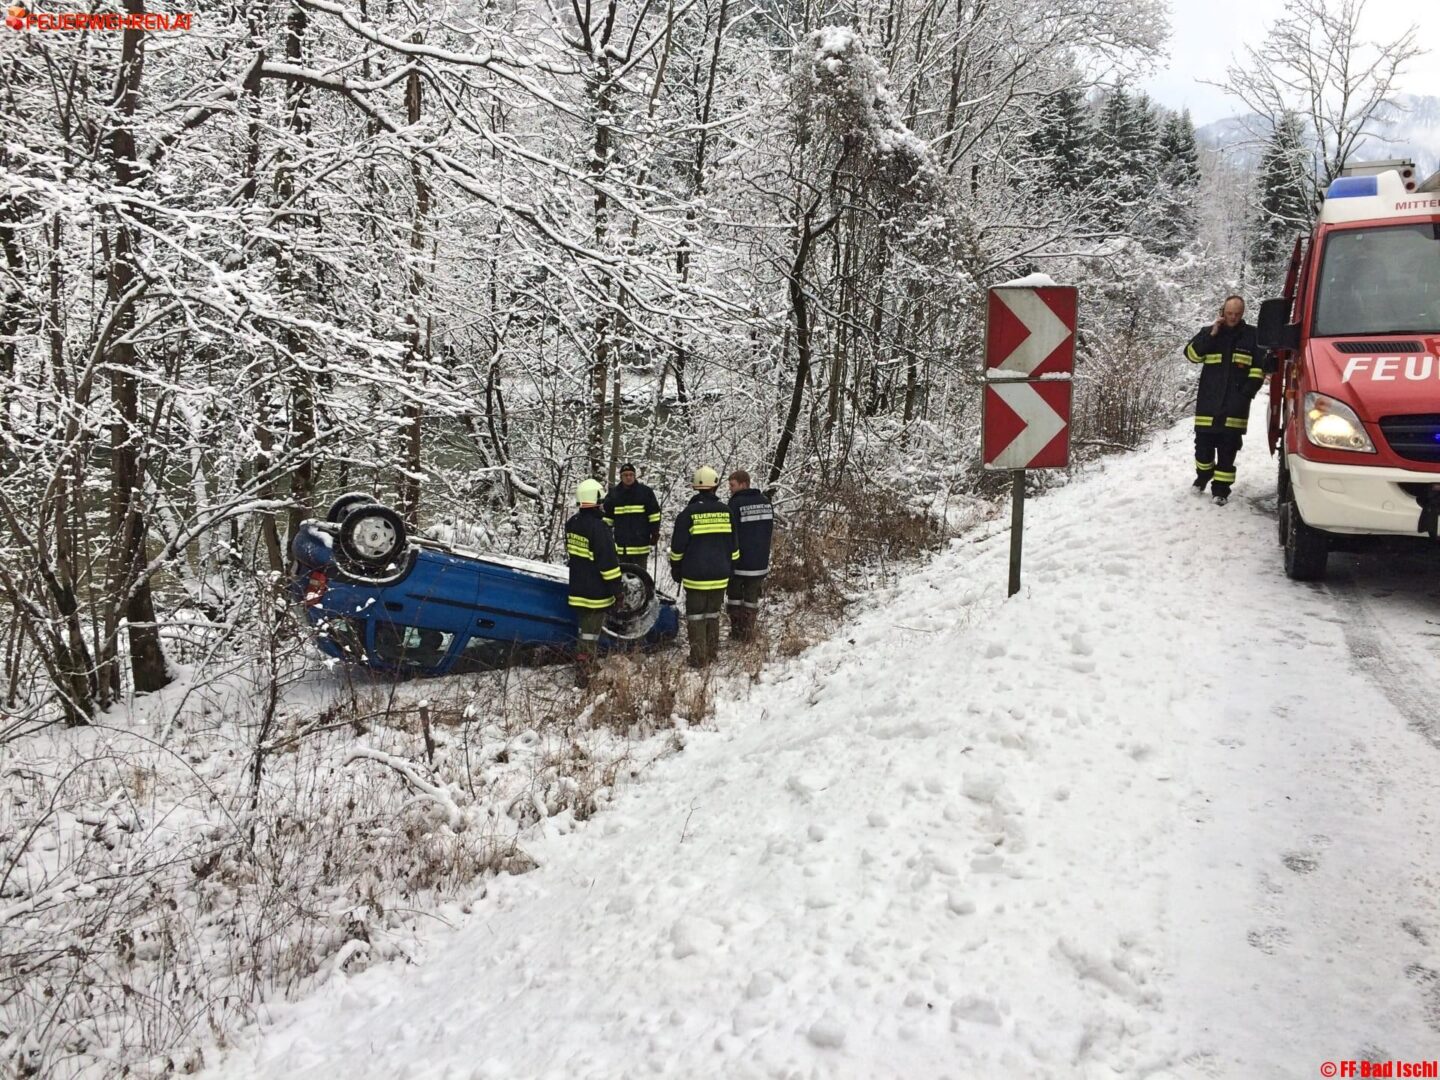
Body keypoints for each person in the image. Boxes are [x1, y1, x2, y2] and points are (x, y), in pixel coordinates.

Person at [1184, 295, 1268, 506]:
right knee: (1202, 448)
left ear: (1243, 314)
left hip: (1235, 406)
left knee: (1228, 449)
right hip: (1208, 404)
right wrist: (1210, 335)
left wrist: (1245, 395)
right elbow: (1191, 355)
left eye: (1237, 314)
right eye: (1229, 313)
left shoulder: (1253, 336)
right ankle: (1203, 476)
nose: (1232, 317)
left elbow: (1259, 370)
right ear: (1222, 311)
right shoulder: (1209, 332)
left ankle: (1221, 490)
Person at [668, 466, 736, 668]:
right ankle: (712, 653)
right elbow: (734, 548)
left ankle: (698, 658)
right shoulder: (726, 511)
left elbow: (677, 548)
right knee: (713, 614)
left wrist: (676, 569)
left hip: (696, 576)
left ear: (696, 486)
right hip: (720, 575)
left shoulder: (688, 514)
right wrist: (729, 568)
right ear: (715, 485)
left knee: (696, 615)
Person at [565, 478, 624, 686]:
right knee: (591, 633)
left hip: (577, 586)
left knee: (584, 629)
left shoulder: (572, 523)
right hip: (595, 591)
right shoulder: (599, 528)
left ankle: (587, 664)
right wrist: (617, 590)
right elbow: (608, 564)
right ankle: (584, 671)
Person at [726, 470, 773, 641]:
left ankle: (737, 631)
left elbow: (730, 533)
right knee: (752, 599)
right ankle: (748, 632)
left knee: (734, 598)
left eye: (732, 485)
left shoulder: (735, 504)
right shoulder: (766, 502)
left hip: (740, 562)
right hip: (759, 562)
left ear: (743, 484)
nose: (730, 489)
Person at [602, 462, 662, 570]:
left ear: (634, 476)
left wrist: (655, 532)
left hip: (640, 546)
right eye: (625, 475)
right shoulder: (614, 494)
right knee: (623, 579)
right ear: (621, 477)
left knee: (640, 578)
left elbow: (654, 514)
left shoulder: (645, 492)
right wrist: (605, 536)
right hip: (621, 547)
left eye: (631, 474)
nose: (628, 477)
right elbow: (608, 518)